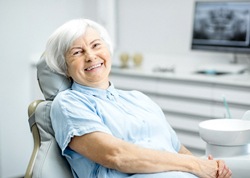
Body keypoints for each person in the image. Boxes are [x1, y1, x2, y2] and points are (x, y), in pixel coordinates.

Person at [44, 18, 232, 178]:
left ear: (108, 51)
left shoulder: (138, 99)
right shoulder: (69, 103)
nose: (91, 56)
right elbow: (116, 156)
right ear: (65, 68)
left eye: (96, 45)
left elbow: (178, 150)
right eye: (77, 52)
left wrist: (210, 170)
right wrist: (196, 166)